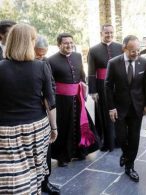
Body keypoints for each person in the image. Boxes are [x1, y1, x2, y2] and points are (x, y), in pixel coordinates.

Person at [0, 23, 57, 194]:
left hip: (5, 130)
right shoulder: (40, 66)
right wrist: (54, 127)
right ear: (28, 43)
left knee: (11, 174)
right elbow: (49, 100)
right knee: (34, 170)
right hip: (36, 128)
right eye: (33, 40)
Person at [48, 33, 98, 167]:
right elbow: (50, 82)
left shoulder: (77, 56)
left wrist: (83, 82)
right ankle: (62, 156)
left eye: (71, 42)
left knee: (79, 124)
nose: (69, 45)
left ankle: (81, 152)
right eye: (65, 43)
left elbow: (81, 73)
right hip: (62, 101)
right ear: (59, 44)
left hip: (77, 97)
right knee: (64, 127)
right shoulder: (51, 60)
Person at [105, 35, 146, 182]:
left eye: (138, 50)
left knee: (134, 137)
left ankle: (130, 166)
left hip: (137, 107)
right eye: (133, 51)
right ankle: (125, 153)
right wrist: (111, 108)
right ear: (124, 48)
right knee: (121, 136)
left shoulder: (144, 62)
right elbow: (108, 86)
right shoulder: (113, 63)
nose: (137, 53)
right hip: (119, 107)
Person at [88, 24, 123, 152]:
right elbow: (91, 71)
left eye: (111, 33)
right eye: (106, 33)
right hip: (101, 85)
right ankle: (107, 141)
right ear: (101, 33)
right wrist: (93, 90)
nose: (109, 35)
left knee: (119, 111)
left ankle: (119, 140)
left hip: (118, 84)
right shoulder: (93, 50)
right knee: (104, 113)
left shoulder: (120, 47)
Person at [35, 35, 60, 195]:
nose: (41, 57)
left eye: (44, 54)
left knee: (46, 150)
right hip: (30, 110)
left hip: (44, 110)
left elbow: (50, 83)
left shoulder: (44, 63)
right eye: (38, 54)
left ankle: (46, 182)